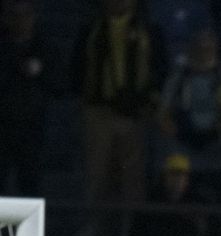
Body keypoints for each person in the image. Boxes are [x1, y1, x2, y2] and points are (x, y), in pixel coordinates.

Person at [73, 0, 167, 221]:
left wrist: (146, 101)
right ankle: (96, 226)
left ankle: (133, 228)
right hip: (99, 112)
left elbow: (160, 68)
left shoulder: (149, 30)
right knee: (97, 174)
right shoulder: (91, 30)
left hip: (135, 114)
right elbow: (78, 68)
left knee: (132, 177)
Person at [157, 27, 221, 199]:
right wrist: (173, 129)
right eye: (199, 48)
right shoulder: (178, 77)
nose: (203, 53)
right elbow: (164, 112)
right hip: (183, 144)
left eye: (208, 49)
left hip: (214, 145)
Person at [0, 0, 60, 197]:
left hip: (32, 126)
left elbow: (57, 83)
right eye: (15, 15)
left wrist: (39, 71)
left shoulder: (44, 46)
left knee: (30, 183)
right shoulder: (3, 46)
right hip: (3, 125)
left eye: (26, 15)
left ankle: (27, 227)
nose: (21, 21)